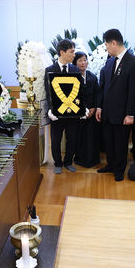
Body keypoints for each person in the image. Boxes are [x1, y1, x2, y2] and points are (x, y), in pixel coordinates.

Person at [96, 29, 135, 181]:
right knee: (109, 141)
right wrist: (99, 107)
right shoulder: (110, 61)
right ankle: (110, 164)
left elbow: (134, 91)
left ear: (114, 43)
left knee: (120, 143)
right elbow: (104, 86)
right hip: (107, 111)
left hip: (123, 113)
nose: (106, 48)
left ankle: (119, 169)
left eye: (106, 45)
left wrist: (130, 114)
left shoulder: (134, 62)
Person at [44, 39, 83, 174]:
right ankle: (57, 163)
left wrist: (82, 107)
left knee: (72, 139)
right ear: (62, 52)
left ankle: (68, 162)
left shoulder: (75, 69)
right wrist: (51, 110)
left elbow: (79, 91)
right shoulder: (49, 70)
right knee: (56, 139)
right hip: (57, 113)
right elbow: (48, 93)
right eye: (71, 52)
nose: (74, 55)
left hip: (72, 112)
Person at [73, 51, 102, 168]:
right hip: (78, 113)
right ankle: (80, 159)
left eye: (85, 60)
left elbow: (97, 93)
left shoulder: (92, 76)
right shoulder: (72, 77)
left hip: (92, 112)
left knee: (92, 136)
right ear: (75, 63)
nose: (83, 63)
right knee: (80, 136)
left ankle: (93, 159)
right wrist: (81, 110)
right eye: (80, 60)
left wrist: (94, 108)